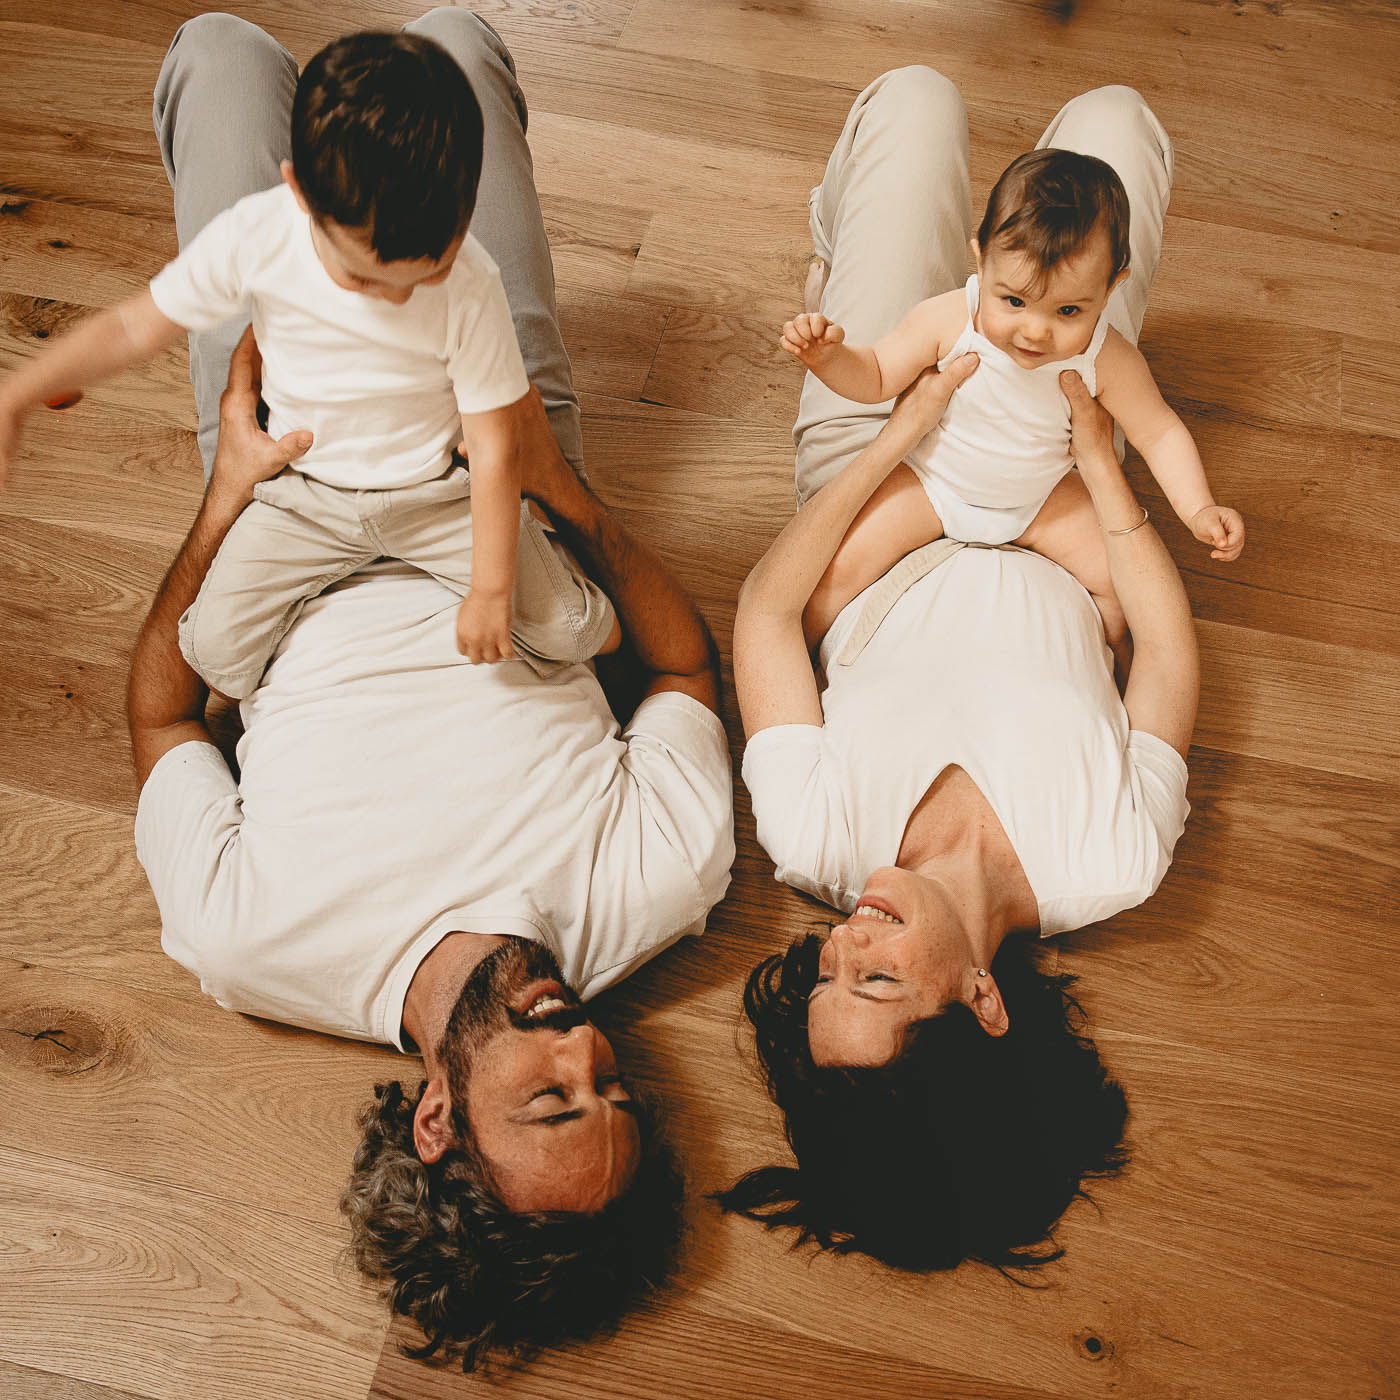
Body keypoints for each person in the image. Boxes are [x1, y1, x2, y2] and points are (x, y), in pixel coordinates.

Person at [123, 11, 734, 1370]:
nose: (584, 1050)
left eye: (555, 1104)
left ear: (438, 1121)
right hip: (508, 478)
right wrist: (550, 476)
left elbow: (164, 714)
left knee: (218, 52)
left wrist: (229, 487)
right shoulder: (660, 886)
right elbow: (684, 661)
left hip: (292, 499)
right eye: (613, 1088)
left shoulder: (254, 942)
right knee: (454, 43)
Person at [722, 70, 1199, 1273]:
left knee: (922, 97)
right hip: (1052, 464)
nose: (845, 938)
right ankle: (1020, 289)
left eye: (826, 969)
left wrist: (895, 428)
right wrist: (1098, 481)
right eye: (875, 980)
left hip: (878, 461)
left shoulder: (814, 835)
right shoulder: (1109, 857)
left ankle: (884, 260)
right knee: (1108, 124)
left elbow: (770, 608)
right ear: (980, 1001)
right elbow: (1173, 652)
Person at [0, 27, 607, 692]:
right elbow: (131, 327)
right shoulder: (258, 235)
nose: (397, 297)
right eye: (367, 278)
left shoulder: (469, 279)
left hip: (438, 497)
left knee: (575, 634)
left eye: (426, 271)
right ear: (299, 194)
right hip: (303, 495)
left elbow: (496, 450)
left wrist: (492, 591)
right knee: (214, 653)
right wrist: (23, 389)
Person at [781, 147, 1244, 658]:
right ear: (980, 258)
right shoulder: (949, 319)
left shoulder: (1109, 359)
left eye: (1068, 309)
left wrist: (1197, 506)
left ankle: (1106, 670)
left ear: (1114, 283)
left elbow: (1159, 432)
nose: (1035, 331)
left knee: (1122, 591)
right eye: (1014, 301)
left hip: (1044, 497)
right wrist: (829, 359)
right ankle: (807, 663)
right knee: (833, 578)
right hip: (932, 480)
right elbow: (876, 375)